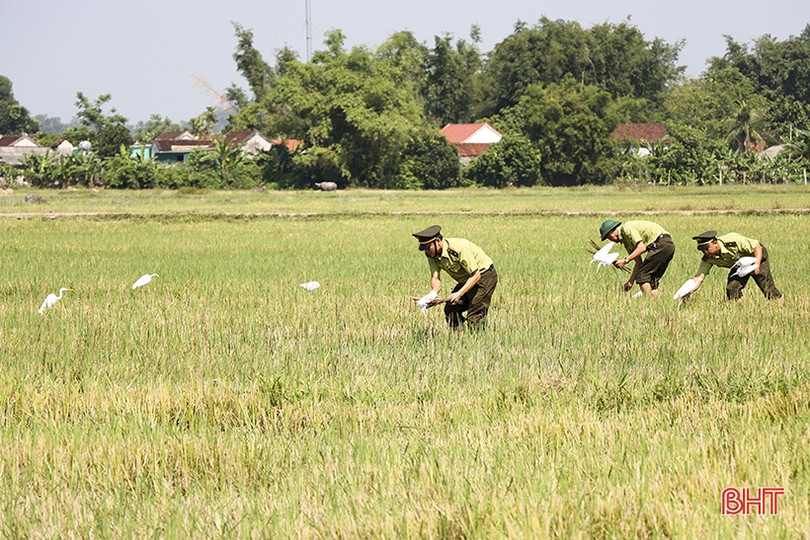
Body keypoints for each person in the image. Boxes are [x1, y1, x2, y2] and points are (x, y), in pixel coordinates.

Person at [412, 225, 498, 329]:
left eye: (428, 248)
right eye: (424, 249)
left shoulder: (458, 249)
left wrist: (459, 294)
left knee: (475, 316)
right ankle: (459, 340)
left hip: (484, 276)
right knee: (451, 310)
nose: (426, 252)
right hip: (466, 279)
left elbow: (476, 275)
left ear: (438, 241)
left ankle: (478, 341)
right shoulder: (432, 255)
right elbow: (435, 277)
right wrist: (433, 294)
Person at [687, 230, 782, 301]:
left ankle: (780, 307)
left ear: (715, 243)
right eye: (702, 250)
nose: (705, 252)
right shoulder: (708, 258)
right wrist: (689, 291)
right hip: (739, 264)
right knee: (732, 288)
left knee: (767, 288)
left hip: (755, 256)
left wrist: (756, 265)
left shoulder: (732, 241)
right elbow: (699, 277)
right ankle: (738, 311)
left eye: (707, 248)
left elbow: (757, 247)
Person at [599, 219, 675, 297]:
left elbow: (641, 248)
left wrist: (625, 261)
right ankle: (655, 305)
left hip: (660, 243)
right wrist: (630, 282)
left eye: (608, 238)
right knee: (652, 280)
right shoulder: (626, 242)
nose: (610, 240)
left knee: (643, 275)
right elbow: (638, 262)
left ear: (611, 233)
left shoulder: (626, 228)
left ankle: (649, 302)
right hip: (667, 245)